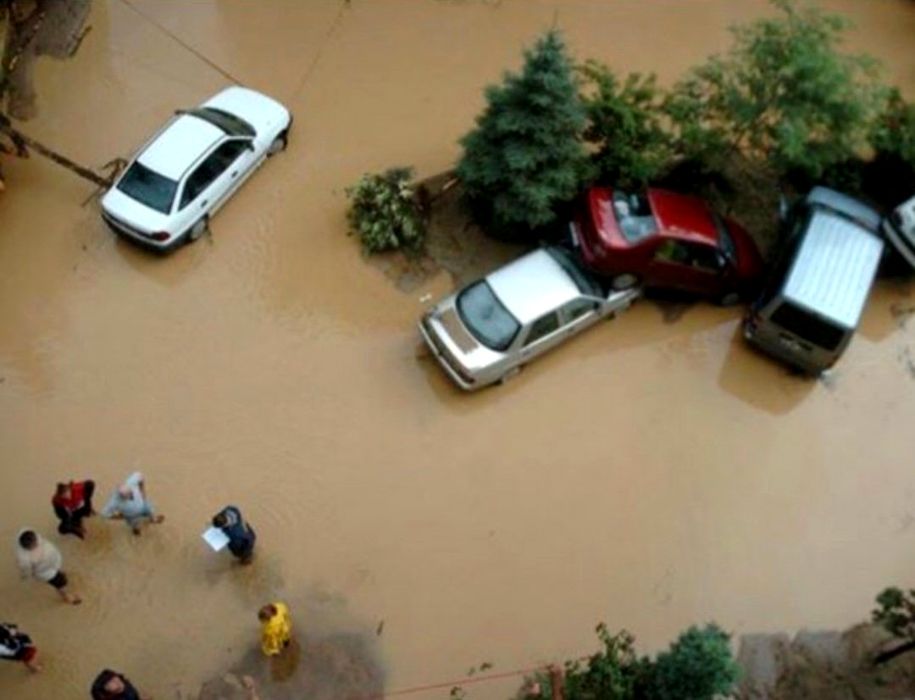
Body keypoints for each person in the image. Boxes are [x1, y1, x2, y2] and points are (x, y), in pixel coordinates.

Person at [14, 529, 81, 605]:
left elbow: (25, 571)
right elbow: (26, 571)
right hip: (49, 574)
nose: (37, 541)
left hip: (51, 567)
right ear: (32, 545)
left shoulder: (28, 542)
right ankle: (67, 597)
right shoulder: (27, 558)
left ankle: (60, 575)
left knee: (59, 575)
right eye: (35, 541)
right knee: (60, 585)